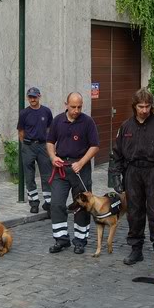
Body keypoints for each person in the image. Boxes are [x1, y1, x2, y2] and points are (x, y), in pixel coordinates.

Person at [109, 88, 154, 266]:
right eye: (141, 106)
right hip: (132, 172)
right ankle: (136, 249)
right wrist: (115, 177)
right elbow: (116, 153)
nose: (144, 110)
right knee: (134, 212)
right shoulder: (126, 126)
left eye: (147, 106)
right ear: (134, 106)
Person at [46, 92, 100, 254]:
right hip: (61, 168)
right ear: (66, 105)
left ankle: (80, 240)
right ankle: (61, 239)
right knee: (56, 203)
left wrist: (82, 162)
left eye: (79, 107)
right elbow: (49, 142)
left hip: (80, 169)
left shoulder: (88, 122)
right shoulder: (57, 121)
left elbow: (95, 145)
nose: (76, 110)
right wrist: (53, 156)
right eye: (73, 107)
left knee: (83, 205)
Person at [17, 86, 53, 214]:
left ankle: (48, 203)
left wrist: (49, 145)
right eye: (30, 97)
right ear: (28, 98)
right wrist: (25, 146)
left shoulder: (46, 111)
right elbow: (20, 131)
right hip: (28, 146)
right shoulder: (24, 113)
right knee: (29, 176)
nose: (32, 99)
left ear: (39, 96)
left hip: (43, 146)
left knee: (47, 175)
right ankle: (34, 203)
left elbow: (50, 129)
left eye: (34, 96)